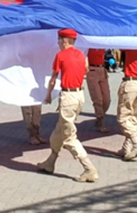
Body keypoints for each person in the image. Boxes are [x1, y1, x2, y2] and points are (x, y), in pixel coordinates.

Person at [36, 28, 98, 183]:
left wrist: (48, 94)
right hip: (79, 96)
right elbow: (85, 70)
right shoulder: (81, 55)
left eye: (58, 40)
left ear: (64, 40)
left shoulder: (61, 55)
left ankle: (89, 169)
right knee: (59, 132)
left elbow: (53, 78)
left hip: (68, 97)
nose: (58, 43)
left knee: (69, 136)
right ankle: (50, 162)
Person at [116, 49, 137, 161]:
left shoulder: (131, 44)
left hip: (131, 82)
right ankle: (126, 148)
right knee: (133, 118)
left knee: (123, 118)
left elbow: (118, 47)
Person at [85, 48, 110, 133]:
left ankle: (100, 116)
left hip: (102, 69)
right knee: (97, 98)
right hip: (92, 69)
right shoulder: (88, 46)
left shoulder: (101, 44)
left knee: (107, 99)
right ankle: (100, 121)